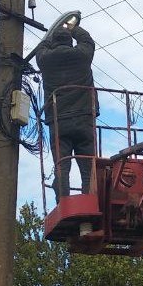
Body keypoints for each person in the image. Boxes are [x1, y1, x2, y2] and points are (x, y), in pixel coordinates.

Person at [35, 16, 98, 201]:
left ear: (54, 43)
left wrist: (51, 33)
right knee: (88, 170)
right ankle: (88, 202)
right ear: (70, 41)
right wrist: (72, 27)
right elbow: (87, 40)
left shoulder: (45, 59)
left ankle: (63, 203)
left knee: (62, 167)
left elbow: (42, 46)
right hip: (84, 119)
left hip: (59, 121)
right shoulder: (82, 55)